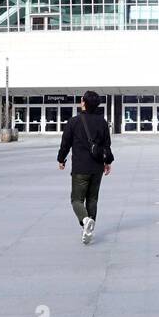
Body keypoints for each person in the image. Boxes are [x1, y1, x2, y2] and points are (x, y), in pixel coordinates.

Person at [57, 90, 113, 244]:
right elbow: (106, 145)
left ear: (83, 102)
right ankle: (88, 230)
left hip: (80, 167)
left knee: (76, 199)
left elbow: (65, 143)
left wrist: (61, 159)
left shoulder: (74, 122)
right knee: (93, 199)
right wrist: (108, 162)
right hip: (97, 167)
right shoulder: (102, 122)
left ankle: (85, 220)